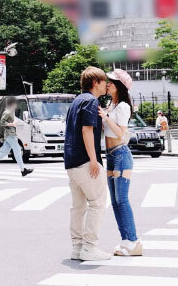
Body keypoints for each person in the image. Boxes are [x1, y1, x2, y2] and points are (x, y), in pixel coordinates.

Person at [64, 66, 112, 261]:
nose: (106, 85)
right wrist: (94, 160)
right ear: (95, 82)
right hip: (85, 161)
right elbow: (87, 130)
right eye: (103, 81)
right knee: (98, 203)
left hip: (71, 161)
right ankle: (90, 247)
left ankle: (77, 247)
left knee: (78, 207)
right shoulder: (91, 101)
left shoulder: (77, 101)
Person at [100, 69, 142, 257]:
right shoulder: (113, 105)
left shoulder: (123, 106)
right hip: (110, 155)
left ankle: (133, 241)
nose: (107, 84)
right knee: (116, 202)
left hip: (121, 154)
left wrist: (105, 117)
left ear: (119, 87)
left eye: (111, 82)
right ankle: (126, 240)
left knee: (122, 200)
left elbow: (120, 133)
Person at [0, 97, 33, 177]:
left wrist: (14, 122)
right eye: (15, 103)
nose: (16, 105)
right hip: (10, 135)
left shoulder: (11, 112)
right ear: (12, 104)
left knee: (4, 152)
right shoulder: (7, 112)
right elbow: (2, 122)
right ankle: (23, 170)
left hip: (10, 134)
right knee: (17, 151)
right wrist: (12, 124)